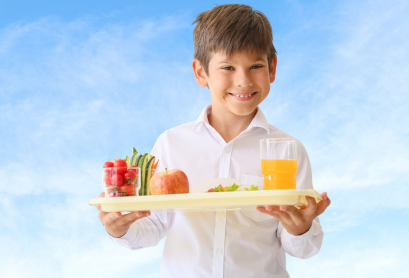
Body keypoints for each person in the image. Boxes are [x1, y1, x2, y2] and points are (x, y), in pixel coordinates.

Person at [97, 4, 331, 277]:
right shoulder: (172, 143)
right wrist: (120, 228)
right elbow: (154, 226)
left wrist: (300, 227)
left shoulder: (287, 150)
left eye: (255, 66)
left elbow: (303, 249)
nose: (243, 81)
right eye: (228, 67)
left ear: (272, 68)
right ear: (201, 72)